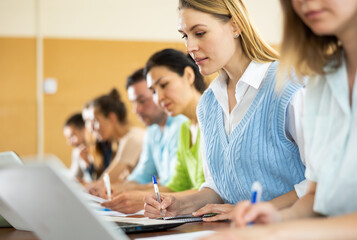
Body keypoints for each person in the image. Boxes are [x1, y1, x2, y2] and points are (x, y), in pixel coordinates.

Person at [203, 0, 357, 239]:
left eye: (200, 33)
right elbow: (317, 197)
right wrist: (276, 218)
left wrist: (278, 232)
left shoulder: (289, 86)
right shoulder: (321, 79)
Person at [144, 0, 307, 222]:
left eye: (199, 33)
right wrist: (180, 204)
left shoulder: (288, 85)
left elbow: (324, 180)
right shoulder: (209, 103)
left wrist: (256, 209)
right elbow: (218, 187)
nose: (189, 46)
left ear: (235, 26)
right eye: (185, 35)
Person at [100, 68, 187, 213]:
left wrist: (137, 195)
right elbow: (142, 174)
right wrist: (121, 188)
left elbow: (176, 184)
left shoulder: (181, 124)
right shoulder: (152, 130)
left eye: (142, 101)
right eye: (133, 103)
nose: (136, 110)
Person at [145, 48, 206, 192]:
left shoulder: (213, 120)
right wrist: (131, 196)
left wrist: (140, 198)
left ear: (189, 76)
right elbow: (177, 185)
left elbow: (209, 192)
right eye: (153, 91)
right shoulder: (186, 128)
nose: (158, 98)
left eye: (164, 85)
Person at [86, 88, 145, 194]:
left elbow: (104, 182)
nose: (91, 129)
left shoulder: (133, 138)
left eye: (95, 121)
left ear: (112, 118)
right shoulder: (122, 141)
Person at [63, 112, 93, 183]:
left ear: (85, 130)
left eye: (72, 136)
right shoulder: (77, 151)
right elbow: (73, 177)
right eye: (68, 138)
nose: (70, 143)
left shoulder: (98, 149)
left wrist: (88, 163)